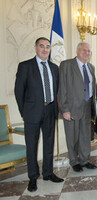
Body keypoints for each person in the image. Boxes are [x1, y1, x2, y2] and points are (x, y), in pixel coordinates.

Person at [14, 37, 64, 192]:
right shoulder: (25, 66)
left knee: (49, 144)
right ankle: (33, 177)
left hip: (50, 111)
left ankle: (48, 173)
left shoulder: (54, 68)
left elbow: (57, 91)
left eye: (48, 46)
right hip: (32, 113)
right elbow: (19, 91)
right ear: (35, 48)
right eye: (41, 46)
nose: (45, 49)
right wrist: (25, 112)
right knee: (32, 146)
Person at [58, 42, 97, 172]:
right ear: (77, 50)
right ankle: (74, 161)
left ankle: (85, 160)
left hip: (87, 107)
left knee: (85, 136)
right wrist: (65, 109)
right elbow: (62, 88)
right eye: (84, 50)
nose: (86, 53)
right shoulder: (66, 65)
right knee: (72, 136)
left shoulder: (91, 67)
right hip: (72, 108)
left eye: (88, 51)